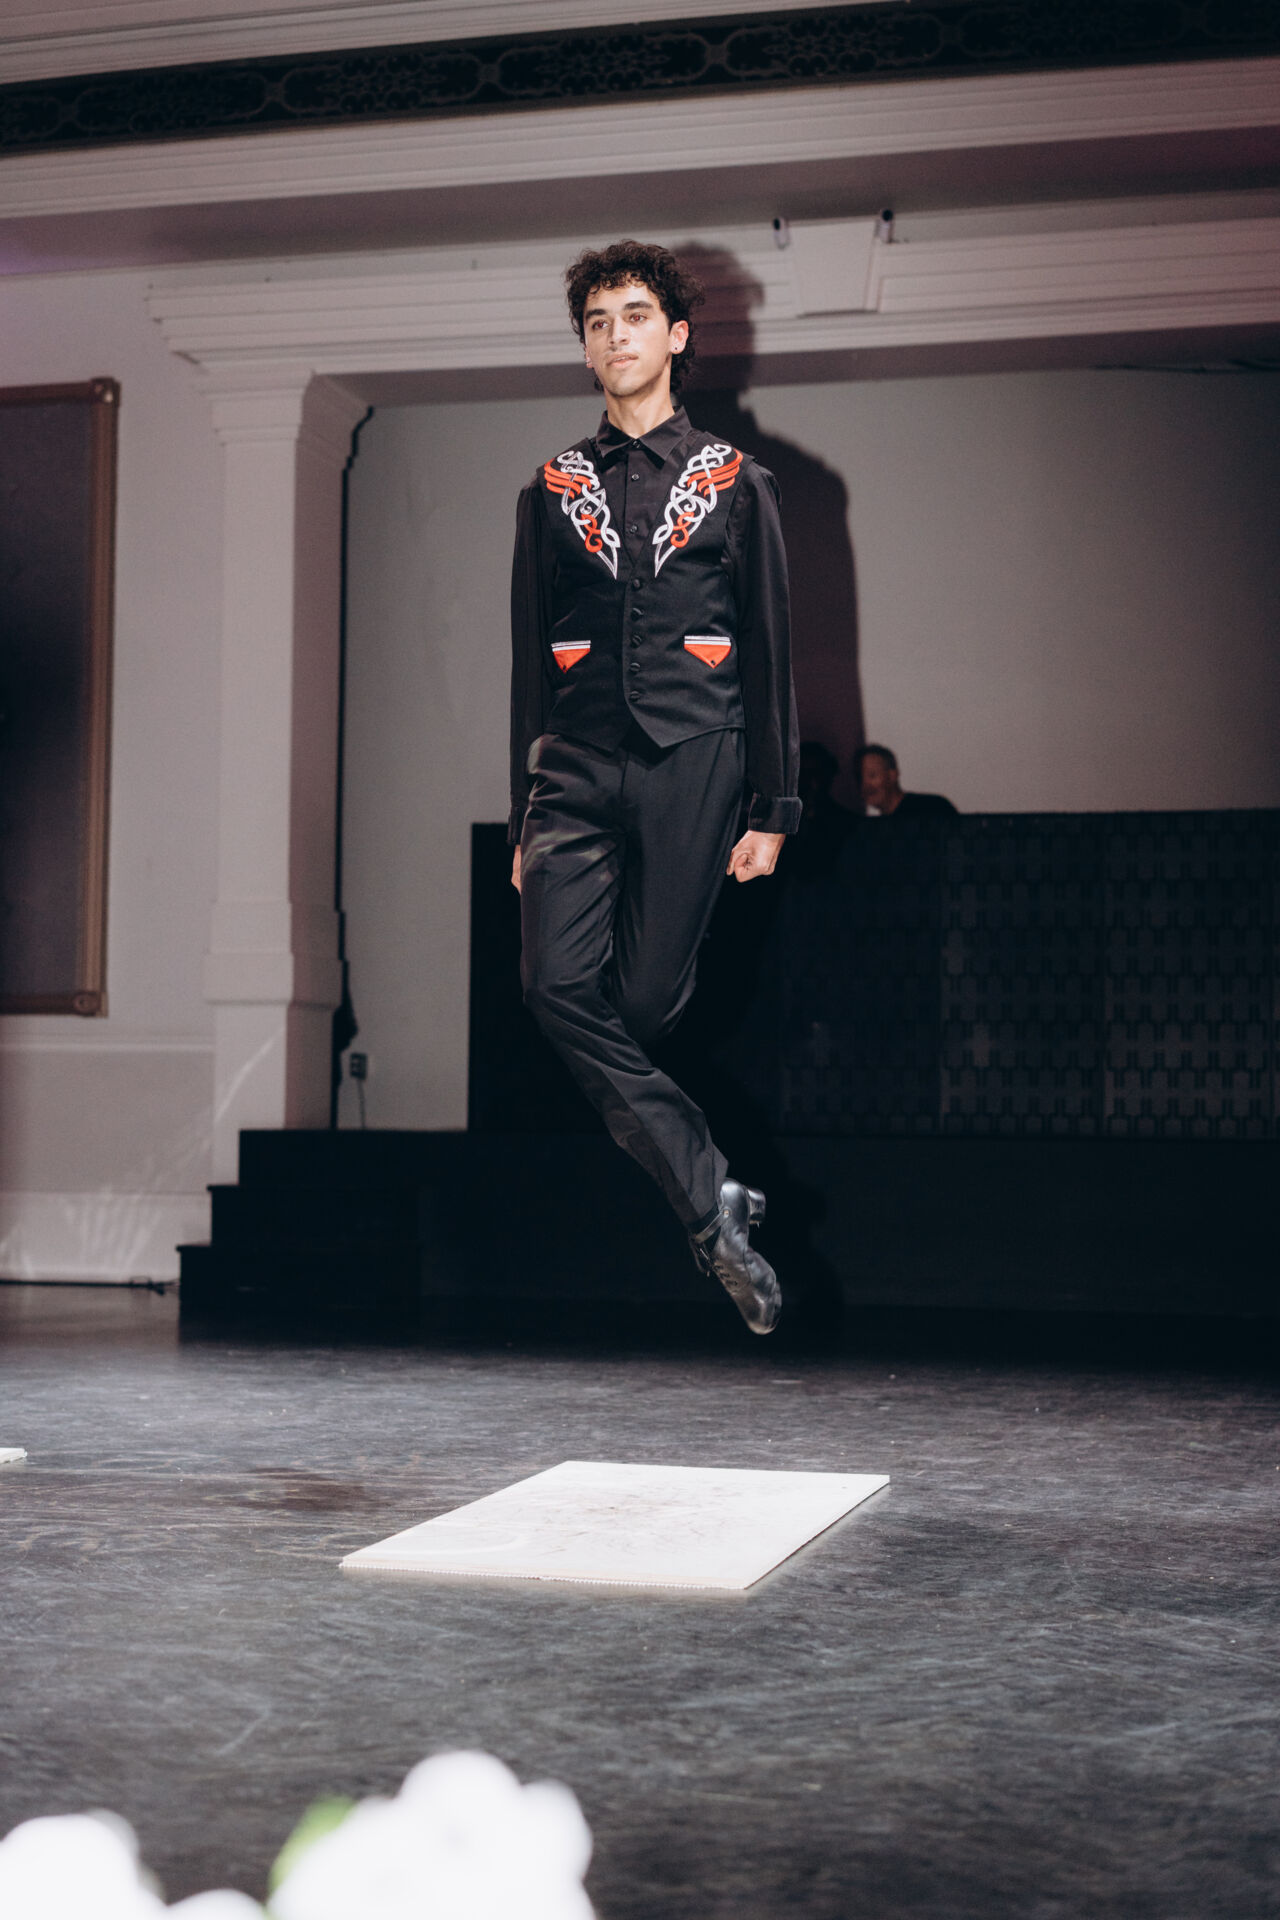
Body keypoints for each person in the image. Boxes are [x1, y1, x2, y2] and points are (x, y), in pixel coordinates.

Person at [508, 240, 801, 1335]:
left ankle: (708, 1194)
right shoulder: (550, 489)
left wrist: (775, 807)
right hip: (572, 767)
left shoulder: (736, 481)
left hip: (696, 758)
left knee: (635, 1009)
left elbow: (770, 650)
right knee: (551, 986)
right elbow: (526, 663)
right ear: (585, 349)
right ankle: (706, 1195)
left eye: (634, 314)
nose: (615, 334)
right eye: (597, 321)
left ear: (675, 336)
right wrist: (519, 816)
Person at [854, 743, 957, 821]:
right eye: (860, 778)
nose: (865, 786)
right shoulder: (875, 830)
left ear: (892, 776)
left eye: (872, 775)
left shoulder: (933, 808)